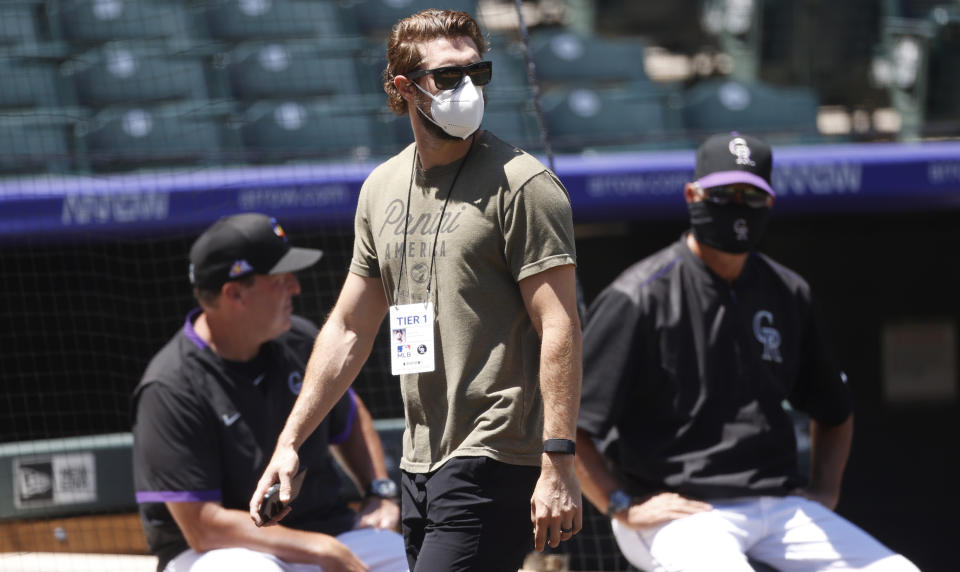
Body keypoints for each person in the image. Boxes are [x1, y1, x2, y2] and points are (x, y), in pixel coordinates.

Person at [248, 9, 583, 572]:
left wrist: (558, 459)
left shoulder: (525, 185)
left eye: (479, 72)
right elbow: (351, 326)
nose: (469, 88)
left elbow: (560, 324)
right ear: (404, 89)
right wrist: (291, 443)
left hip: (496, 452)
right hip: (419, 460)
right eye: (449, 77)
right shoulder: (380, 187)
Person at [574, 133, 919, 572]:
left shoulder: (787, 291)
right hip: (681, 509)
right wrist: (619, 503)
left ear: (770, 203)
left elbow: (834, 409)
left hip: (778, 507)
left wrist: (825, 492)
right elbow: (571, 425)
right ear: (692, 195)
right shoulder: (639, 295)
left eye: (751, 194)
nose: (738, 206)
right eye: (724, 193)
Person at [131, 213, 408, 572]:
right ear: (234, 293)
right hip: (222, 552)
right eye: (280, 279)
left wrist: (380, 492)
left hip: (325, 532)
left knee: (409, 557)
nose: (296, 287)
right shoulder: (170, 386)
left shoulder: (300, 340)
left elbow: (351, 417)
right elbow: (202, 527)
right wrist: (321, 550)